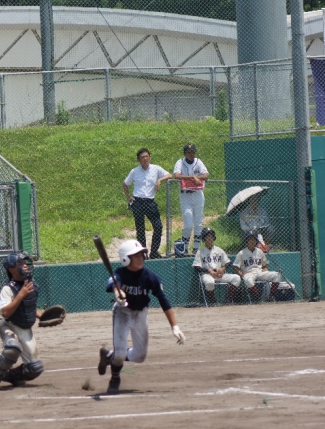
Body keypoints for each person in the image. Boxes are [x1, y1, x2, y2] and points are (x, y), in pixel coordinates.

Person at [98, 240, 185, 395]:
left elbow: (163, 300)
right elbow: (113, 283)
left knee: (140, 356)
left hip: (141, 314)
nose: (140, 258)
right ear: (126, 258)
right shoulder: (120, 273)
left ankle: (108, 356)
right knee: (120, 355)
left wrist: (174, 326)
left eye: (141, 255)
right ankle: (115, 378)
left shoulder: (149, 276)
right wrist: (118, 293)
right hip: (123, 313)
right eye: (136, 256)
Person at [0, 251, 44, 391]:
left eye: (26, 263)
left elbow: (28, 307)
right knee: (13, 348)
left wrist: (42, 316)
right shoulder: (8, 288)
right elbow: (6, 313)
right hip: (9, 326)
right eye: (20, 263)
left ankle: (11, 376)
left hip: (25, 329)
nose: (25, 266)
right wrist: (20, 295)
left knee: (35, 368)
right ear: (11, 269)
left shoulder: (32, 284)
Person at [123, 148, 172, 259]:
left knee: (158, 226)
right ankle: (143, 253)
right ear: (138, 159)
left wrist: (159, 180)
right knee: (140, 229)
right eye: (142, 157)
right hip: (138, 202)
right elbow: (125, 184)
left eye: (146, 156)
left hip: (150, 202)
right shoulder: (134, 171)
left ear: (150, 157)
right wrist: (128, 198)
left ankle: (154, 252)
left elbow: (169, 175)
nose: (145, 159)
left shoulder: (156, 169)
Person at [173, 143, 209, 255]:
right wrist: (193, 177)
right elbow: (177, 175)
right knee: (188, 224)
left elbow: (206, 175)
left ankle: (196, 249)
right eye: (189, 152)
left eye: (193, 152)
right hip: (185, 196)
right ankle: (184, 248)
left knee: (198, 223)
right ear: (185, 153)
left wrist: (197, 177)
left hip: (198, 195)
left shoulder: (198, 162)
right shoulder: (180, 162)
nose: (191, 154)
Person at [192, 227, 241, 305]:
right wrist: (209, 271)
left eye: (211, 237)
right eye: (207, 237)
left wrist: (223, 268)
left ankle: (228, 300)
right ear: (204, 239)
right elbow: (196, 266)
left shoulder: (219, 250)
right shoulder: (200, 252)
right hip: (207, 274)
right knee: (209, 282)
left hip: (219, 274)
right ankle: (213, 301)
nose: (210, 239)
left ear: (214, 238)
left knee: (237, 278)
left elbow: (228, 262)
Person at [233, 230, 281, 300]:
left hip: (259, 271)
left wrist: (265, 268)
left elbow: (265, 263)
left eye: (254, 239)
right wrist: (241, 274)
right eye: (250, 239)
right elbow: (235, 266)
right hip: (249, 272)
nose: (252, 241)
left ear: (256, 241)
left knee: (277, 275)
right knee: (248, 281)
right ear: (246, 241)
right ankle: (258, 298)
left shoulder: (259, 251)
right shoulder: (241, 253)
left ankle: (271, 296)